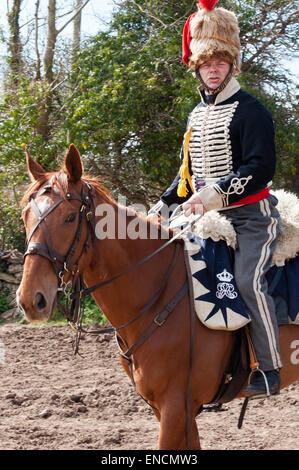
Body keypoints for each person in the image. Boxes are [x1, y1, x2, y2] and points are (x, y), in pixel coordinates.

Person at [149, 0, 282, 398]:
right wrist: (163, 206)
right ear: (197, 66)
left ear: (231, 64)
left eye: (220, 62)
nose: (213, 69)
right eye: (206, 62)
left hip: (250, 217)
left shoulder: (251, 110)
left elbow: (259, 168)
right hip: (201, 217)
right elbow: (186, 175)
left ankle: (269, 370)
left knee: (247, 280)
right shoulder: (195, 114)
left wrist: (213, 195)